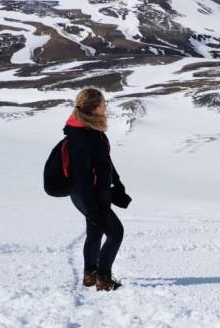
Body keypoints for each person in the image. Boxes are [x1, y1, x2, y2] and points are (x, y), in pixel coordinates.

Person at [64, 88, 131, 291]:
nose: (105, 107)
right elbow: (83, 175)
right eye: (103, 104)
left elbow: (104, 161)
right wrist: (92, 208)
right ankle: (103, 279)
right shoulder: (84, 137)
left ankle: (90, 276)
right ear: (94, 109)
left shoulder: (89, 130)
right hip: (89, 194)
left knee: (95, 232)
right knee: (116, 232)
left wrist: (117, 184)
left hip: (89, 192)